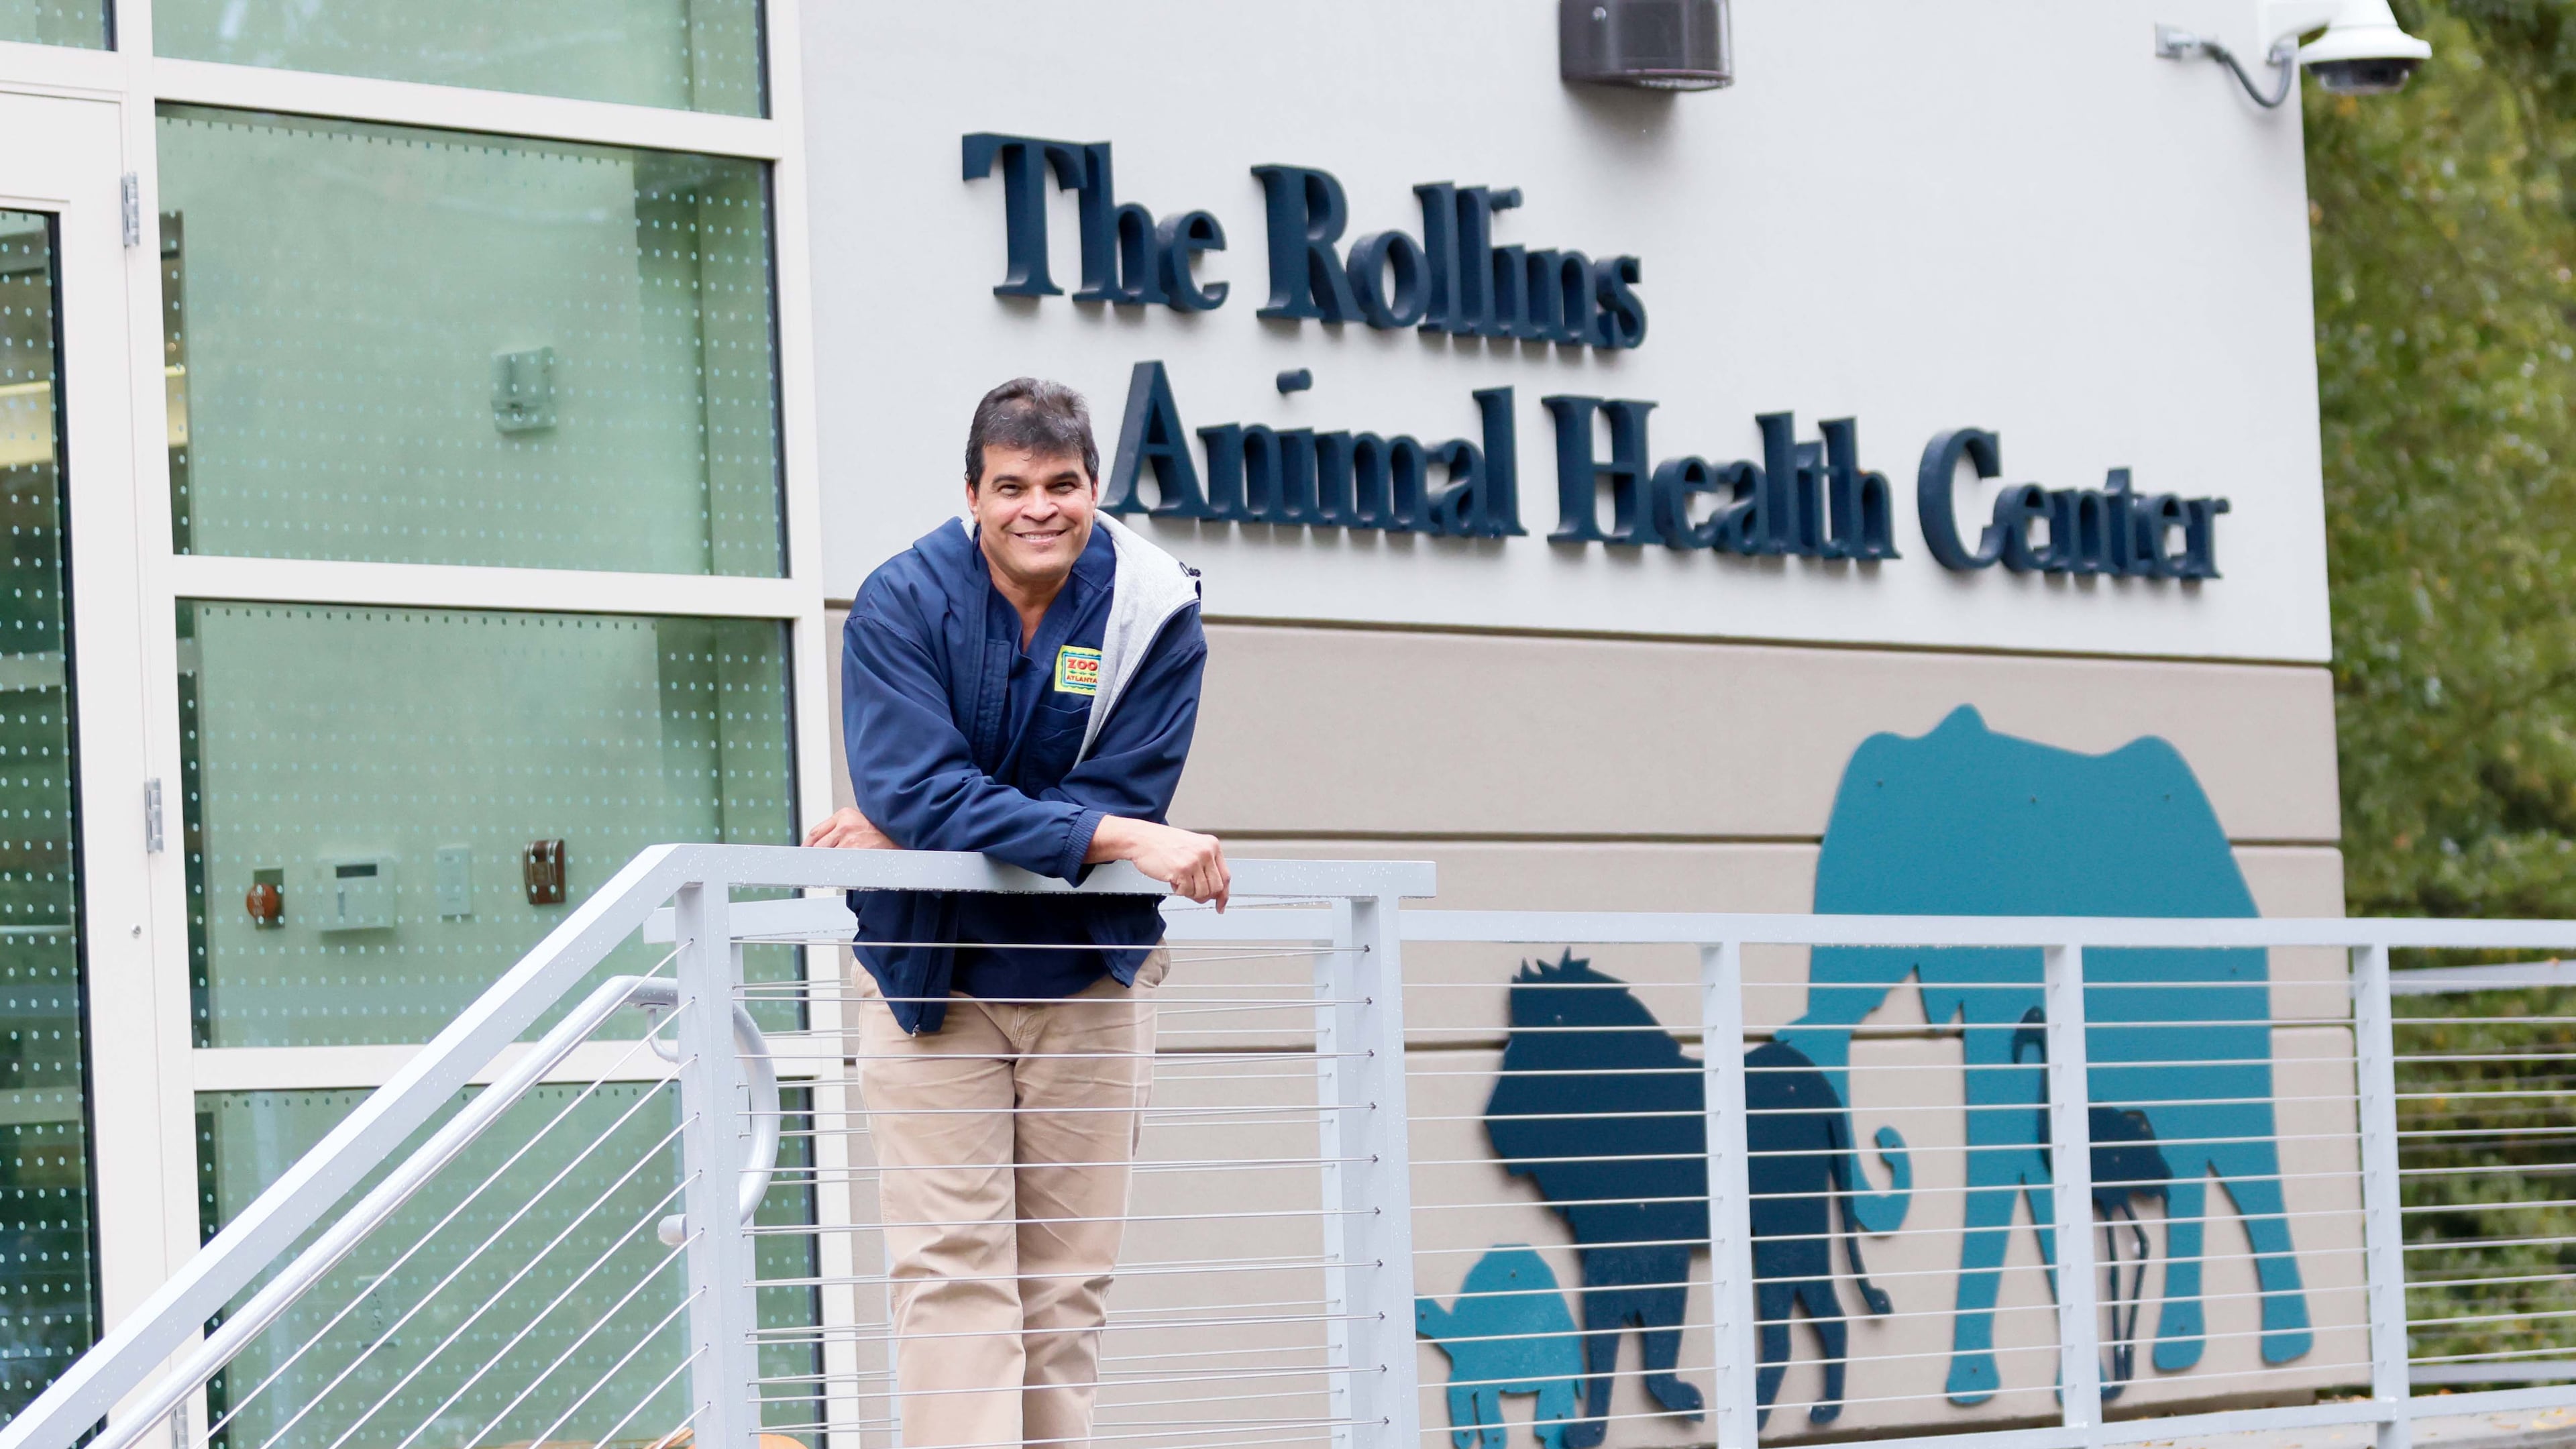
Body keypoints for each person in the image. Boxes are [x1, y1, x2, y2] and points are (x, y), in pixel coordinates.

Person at [806, 376, 1227, 1449]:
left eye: (1063, 484)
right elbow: (917, 786)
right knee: (953, 1281)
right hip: (930, 983)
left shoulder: (1152, 609)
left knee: (1064, 1294)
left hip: (1086, 978)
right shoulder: (901, 601)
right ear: (972, 494)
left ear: (1095, 488)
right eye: (1012, 486)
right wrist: (1122, 843)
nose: (1039, 508)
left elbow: (1119, 784)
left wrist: (937, 822)